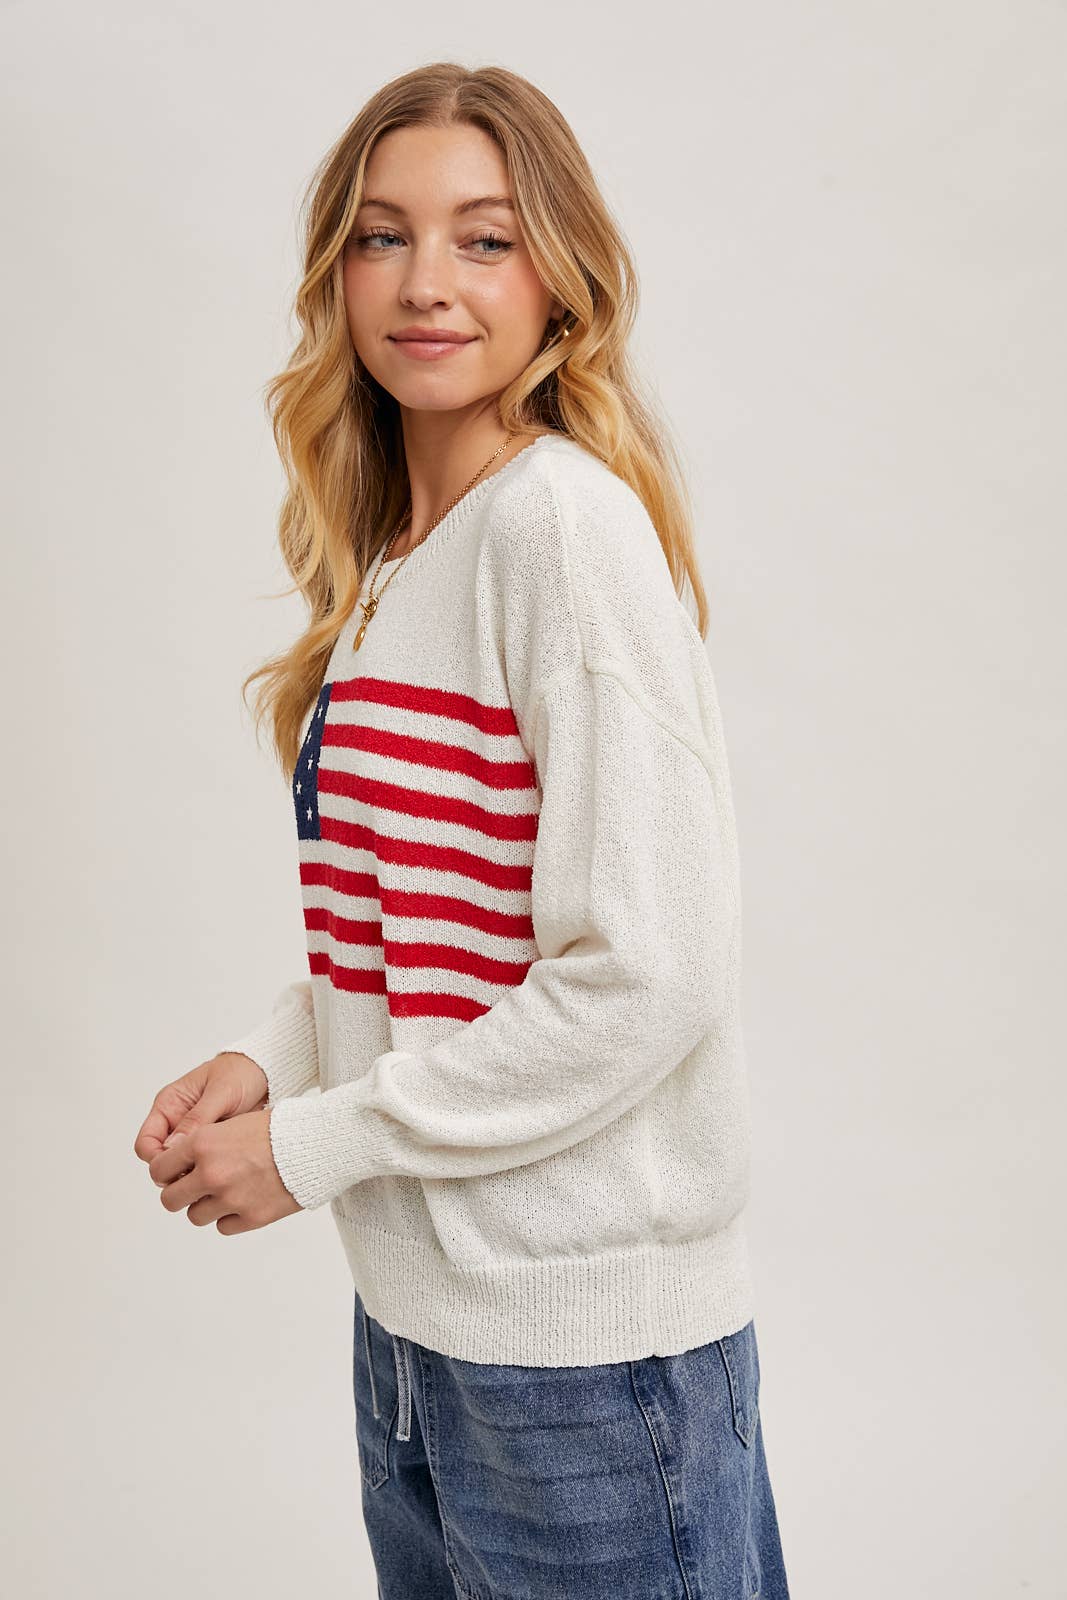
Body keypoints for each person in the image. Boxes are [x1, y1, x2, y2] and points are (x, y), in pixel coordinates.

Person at [133, 61, 791, 1600]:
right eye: (384, 236)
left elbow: (648, 974)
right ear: (338, 273)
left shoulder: (558, 529)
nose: (427, 281)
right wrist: (281, 1057)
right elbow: (442, 934)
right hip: (424, 1343)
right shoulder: (401, 558)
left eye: (485, 239)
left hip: (589, 1372)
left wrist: (311, 1146)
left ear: (559, 280)